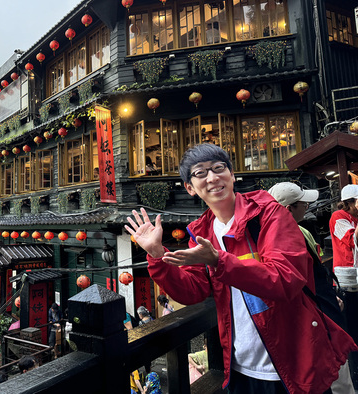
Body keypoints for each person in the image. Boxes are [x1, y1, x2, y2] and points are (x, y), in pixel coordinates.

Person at [125, 143, 356, 394]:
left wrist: (219, 261)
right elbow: (192, 291)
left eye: (218, 168)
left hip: (295, 361)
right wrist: (157, 254)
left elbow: (285, 278)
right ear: (190, 187)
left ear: (232, 174)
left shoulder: (269, 214)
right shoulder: (201, 232)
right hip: (239, 366)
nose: (212, 178)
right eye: (200, 173)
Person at [269, 182, 353, 394]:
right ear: (288, 208)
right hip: (316, 311)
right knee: (333, 369)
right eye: (303, 204)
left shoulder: (293, 231)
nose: (307, 208)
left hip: (319, 305)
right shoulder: (288, 236)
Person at [329, 184, 358, 270]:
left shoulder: (356, 216)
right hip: (348, 268)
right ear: (349, 202)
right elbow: (353, 241)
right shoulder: (338, 216)